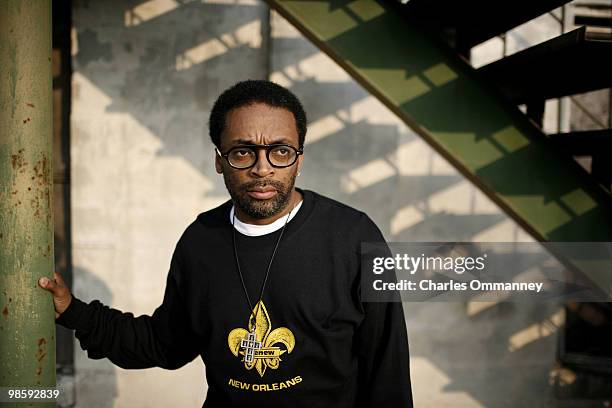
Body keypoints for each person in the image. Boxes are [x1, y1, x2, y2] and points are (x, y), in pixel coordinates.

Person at [39, 80, 413, 407]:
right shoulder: (200, 242)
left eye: (281, 151)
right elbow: (164, 343)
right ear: (220, 160)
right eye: (242, 151)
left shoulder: (354, 238)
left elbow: (387, 368)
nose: (262, 168)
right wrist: (74, 311)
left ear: (299, 160)